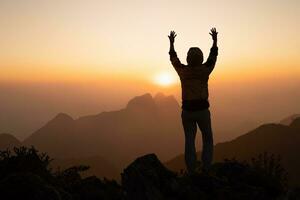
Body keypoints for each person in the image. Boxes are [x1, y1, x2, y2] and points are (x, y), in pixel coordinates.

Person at [168, 28, 218, 173]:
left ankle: (191, 170)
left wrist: (171, 43)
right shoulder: (205, 70)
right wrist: (214, 40)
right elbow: (213, 57)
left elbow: (173, 59)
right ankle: (206, 167)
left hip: (187, 112)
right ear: (200, 58)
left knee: (189, 140)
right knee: (207, 139)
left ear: (188, 58)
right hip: (202, 111)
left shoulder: (183, 71)